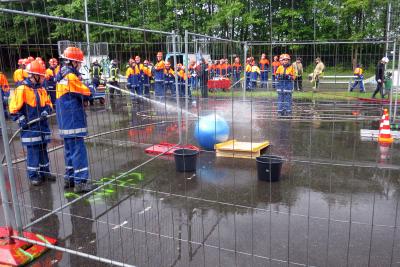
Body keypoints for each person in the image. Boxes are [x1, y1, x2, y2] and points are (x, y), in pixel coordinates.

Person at [9, 59, 55, 186]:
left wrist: (47, 110)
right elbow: (13, 109)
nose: (43, 78)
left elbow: (48, 104)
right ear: (35, 76)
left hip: (42, 127)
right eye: (41, 76)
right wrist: (21, 119)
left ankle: (45, 172)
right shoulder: (22, 89)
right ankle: (33, 175)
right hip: (30, 128)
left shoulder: (41, 89)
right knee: (33, 152)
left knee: (43, 150)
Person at [56, 46, 93, 193]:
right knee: (78, 151)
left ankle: (70, 179)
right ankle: (80, 183)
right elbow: (86, 93)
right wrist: (92, 85)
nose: (80, 65)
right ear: (74, 62)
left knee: (70, 151)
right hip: (73, 119)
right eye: (79, 63)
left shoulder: (62, 75)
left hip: (65, 120)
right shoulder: (70, 77)